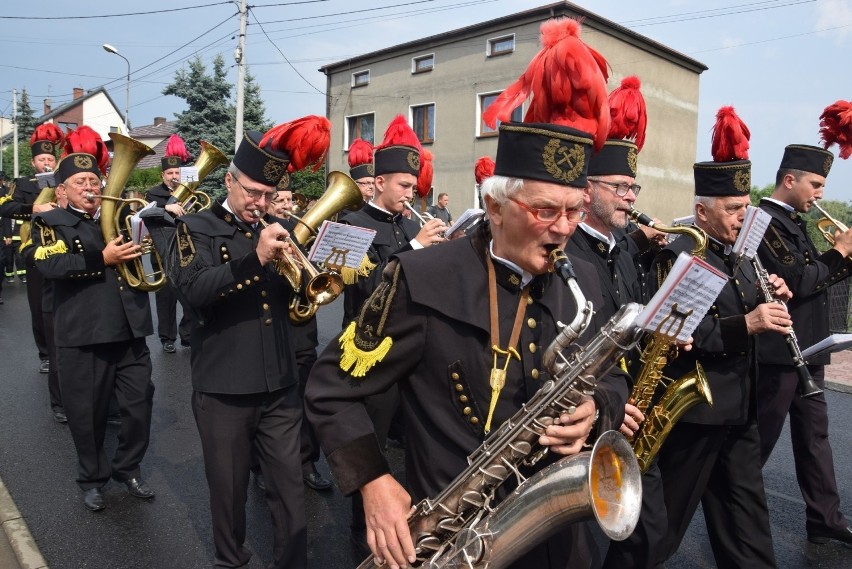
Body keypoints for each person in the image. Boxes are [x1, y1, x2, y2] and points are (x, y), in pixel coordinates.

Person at [307, 18, 628, 569]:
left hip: (560, 539)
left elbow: (612, 376)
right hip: (457, 540)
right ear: (497, 206)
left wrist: (598, 408)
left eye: (574, 210)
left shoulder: (585, 277)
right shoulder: (421, 278)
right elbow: (331, 390)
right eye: (545, 210)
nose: (564, 228)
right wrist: (374, 480)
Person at [171, 117, 331, 569]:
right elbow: (194, 290)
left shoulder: (278, 226)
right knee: (229, 490)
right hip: (223, 387)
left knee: (289, 488)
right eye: (252, 193)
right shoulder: (195, 228)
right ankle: (232, 560)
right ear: (229, 180)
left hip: (278, 384)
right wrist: (256, 258)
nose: (260, 204)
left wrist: (319, 270)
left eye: (267, 196)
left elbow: (296, 301)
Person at [649, 107, 790, 568]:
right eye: (732, 209)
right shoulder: (679, 254)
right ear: (702, 210)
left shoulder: (741, 255)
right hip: (697, 418)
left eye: (745, 207)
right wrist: (747, 323)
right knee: (661, 529)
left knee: (748, 526)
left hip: (739, 410)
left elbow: (749, 305)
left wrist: (773, 298)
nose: (741, 217)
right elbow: (675, 330)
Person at [335, 115, 447, 553]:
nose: (410, 193)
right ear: (378, 182)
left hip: (411, 350)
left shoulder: (405, 223)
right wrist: (416, 249)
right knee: (371, 448)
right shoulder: (351, 221)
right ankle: (361, 535)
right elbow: (363, 287)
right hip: (369, 351)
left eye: (412, 185)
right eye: (403, 185)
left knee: (418, 442)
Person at [32, 128, 156, 512]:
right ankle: (92, 477)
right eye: (79, 182)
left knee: (139, 408)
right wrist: (100, 259)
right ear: (62, 191)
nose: (89, 187)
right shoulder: (50, 222)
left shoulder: (119, 217)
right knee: (87, 415)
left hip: (129, 330)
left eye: (93, 180)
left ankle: (127, 467)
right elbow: (50, 265)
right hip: (84, 333)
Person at [756, 127, 852, 545]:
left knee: (815, 439)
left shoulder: (794, 223)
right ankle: (722, 497)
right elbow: (798, 277)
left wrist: (842, 259)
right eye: (815, 184)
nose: (818, 194)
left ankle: (825, 519)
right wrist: (839, 252)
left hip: (808, 349)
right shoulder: (765, 222)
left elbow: (819, 277)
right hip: (778, 351)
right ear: (789, 180)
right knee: (757, 440)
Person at [0, 124, 65, 374]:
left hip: (63, 247)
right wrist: (34, 209)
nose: (47, 162)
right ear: (33, 161)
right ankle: (45, 353)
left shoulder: (64, 180)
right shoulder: (22, 183)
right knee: (38, 304)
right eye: (42, 159)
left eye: (50, 158)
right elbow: (5, 207)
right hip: (35, 248)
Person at [146, 134, 192, 353]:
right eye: (170, 173)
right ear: (162, 174)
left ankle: (188, 334)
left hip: (184, 247)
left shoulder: (189, 190)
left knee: (190, 292)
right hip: (162, 248)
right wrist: (166, 208)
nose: (174, 177)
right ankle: (167, 337)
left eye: (177, 173)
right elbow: (144, 214)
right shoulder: (153, 193)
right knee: (166, 295)